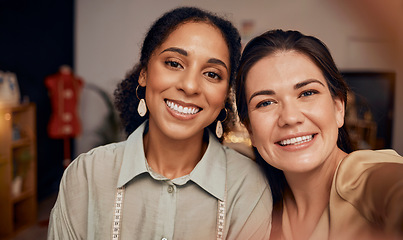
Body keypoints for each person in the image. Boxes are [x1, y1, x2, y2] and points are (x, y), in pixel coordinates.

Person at [48, 7, 272, 240]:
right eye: (174, 63)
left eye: (212, 74)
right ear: (144, 73)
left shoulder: (247, 186)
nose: (190, 86)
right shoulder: (87, 175)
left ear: (226, 94)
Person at [235, 29, 403, 240]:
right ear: (250, 129)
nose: (290, 117)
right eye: (266, 102)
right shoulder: (258, 208)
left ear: (338, 108)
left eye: (307, 93)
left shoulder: (364, 178)